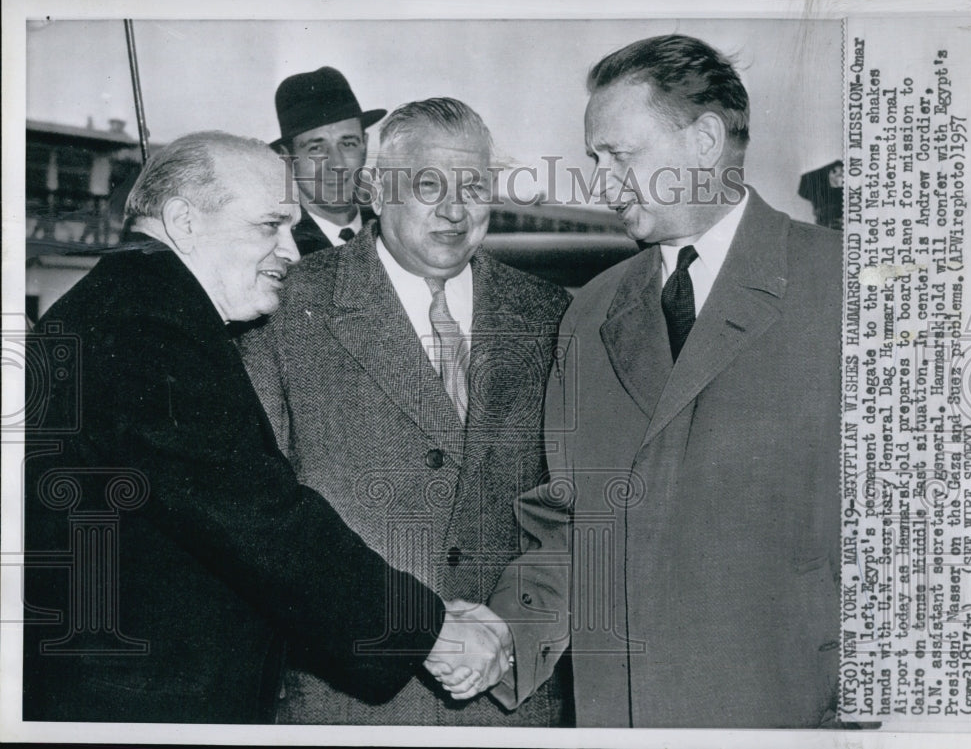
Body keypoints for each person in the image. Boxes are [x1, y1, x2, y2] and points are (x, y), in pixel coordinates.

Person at [21, 131, 487, 724]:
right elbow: (258, 517)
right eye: (269, 225)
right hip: (141, 703)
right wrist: (430, 631)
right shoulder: (149, 325)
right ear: (184, 222)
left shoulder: (135, 302)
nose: (292, 251)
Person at [507, 34, 843, 728]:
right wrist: (505, 635)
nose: (601, 185)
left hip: (787, 710)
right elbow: (571, 525)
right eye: (595, 161)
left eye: (620, 157)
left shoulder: (846, 283)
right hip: (622, 715)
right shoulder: (591, 312)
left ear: (705, 140)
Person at [239, 98, 572, 726]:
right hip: (345, 707)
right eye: (427, 186)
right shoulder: (285, 311)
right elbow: (259, 520)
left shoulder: (550, 315)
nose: (454, 210)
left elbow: (574, 506)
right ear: (373, 187)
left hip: (515, 705)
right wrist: (418, 632)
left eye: (472, 186)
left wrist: (514, 627)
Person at [271, 66, 383, 256]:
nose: (337, 164)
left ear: (364, 145)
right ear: (287, 158)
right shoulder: (278, 250)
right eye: (316, 148)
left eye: (348, 143)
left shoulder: (392, 231)